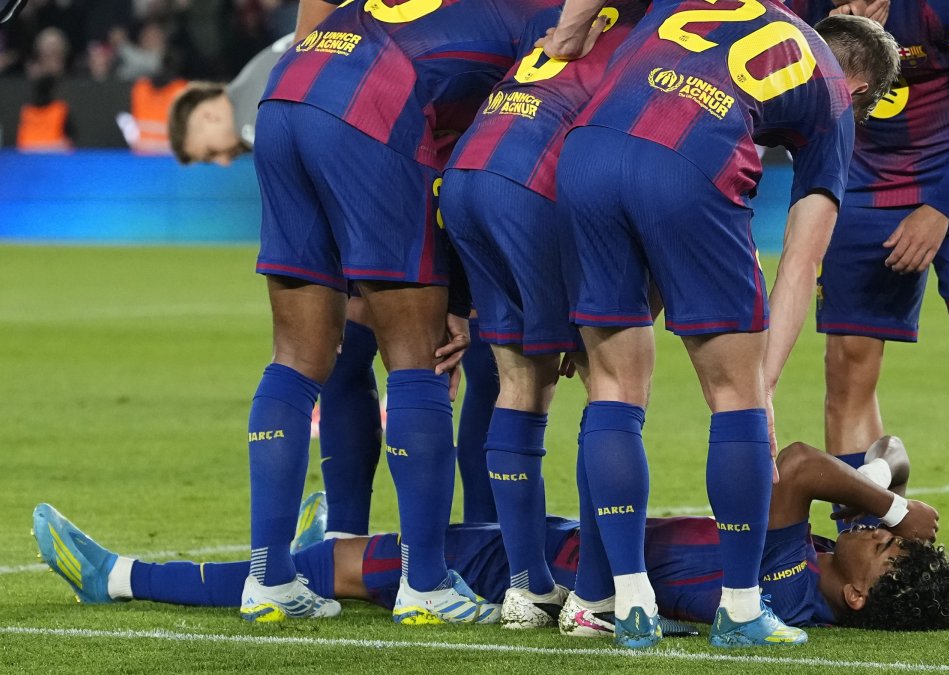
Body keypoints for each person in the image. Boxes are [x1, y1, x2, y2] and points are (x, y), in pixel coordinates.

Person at [542, 0, 898, 648]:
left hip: (586, 151)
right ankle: (740, 607)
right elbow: (801, 260)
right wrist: (762, 385)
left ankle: (615, 599)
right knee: (733, 396)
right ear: (864, 86)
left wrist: (569, 25)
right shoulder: (831, 95)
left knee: (613, 386)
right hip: (691, 160)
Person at [235, 0, 556, 625]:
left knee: (298, 356)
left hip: (290, 89)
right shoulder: (548, 21)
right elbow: (485, 162)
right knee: (420, 358)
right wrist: (459, 299)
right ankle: (427, 584)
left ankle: (268, 578)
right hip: (378, 101)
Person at [33, 436, 949, 635]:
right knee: (383, 541)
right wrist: (886, 488)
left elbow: (803, 463)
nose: (876, 538)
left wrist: (888, 508)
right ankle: (321, 548)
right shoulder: (817, 569)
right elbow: (876, 456)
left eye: (881, 554)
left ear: (854, 591)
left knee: (331, 569)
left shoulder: (778, 576)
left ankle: (118, 576)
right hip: (557, 544)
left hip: (537, 571)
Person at [165, 32, 502, 531]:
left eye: (208, 151)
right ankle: (483, 533)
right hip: (457, 159)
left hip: (408, 178)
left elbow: (326, 186)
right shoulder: (286, 52)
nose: (221, 159)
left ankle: (348, 536)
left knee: (357, 359)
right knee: (484, 369)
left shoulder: (257, 105)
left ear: (206, 114)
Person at [788, 0, 949, 606]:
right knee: (848, 364)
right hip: (862, 181)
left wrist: (939, 208)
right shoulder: (799, 6)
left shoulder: (947, 4)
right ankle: (857, 535)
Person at [440, 0, 649, 630]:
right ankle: (593, 596)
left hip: (470, 174)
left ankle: (527, 588)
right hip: (534, 181)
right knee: (610, 378)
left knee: (520, 382)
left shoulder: (581, 25)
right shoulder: (663, 40)